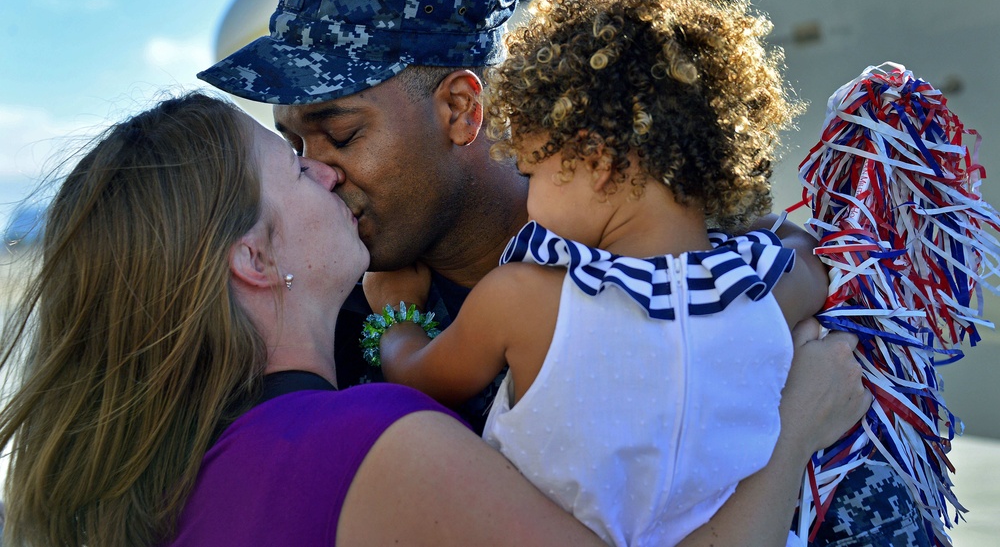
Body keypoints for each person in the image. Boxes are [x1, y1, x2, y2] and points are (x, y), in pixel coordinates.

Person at [198, 0, 922, 546]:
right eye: (295, 146)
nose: (317, 172)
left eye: (343, 133)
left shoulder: (713, 255)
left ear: (459, 108)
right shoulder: (322, 326)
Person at [0, 92, 866, 547]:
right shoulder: (368, 444)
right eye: (294, 170)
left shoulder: (192, 468)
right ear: (255, 262)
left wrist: (395, 330)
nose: (327, 174)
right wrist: (795, 428)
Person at [358, 0, 828, 547]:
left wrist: (394, 316)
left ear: (596, 161)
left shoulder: (523, 299)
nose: (528, 198)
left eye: (533, 171)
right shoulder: (767, 291)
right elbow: (807, 254)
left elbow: (421, 379)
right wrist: (739, 228)